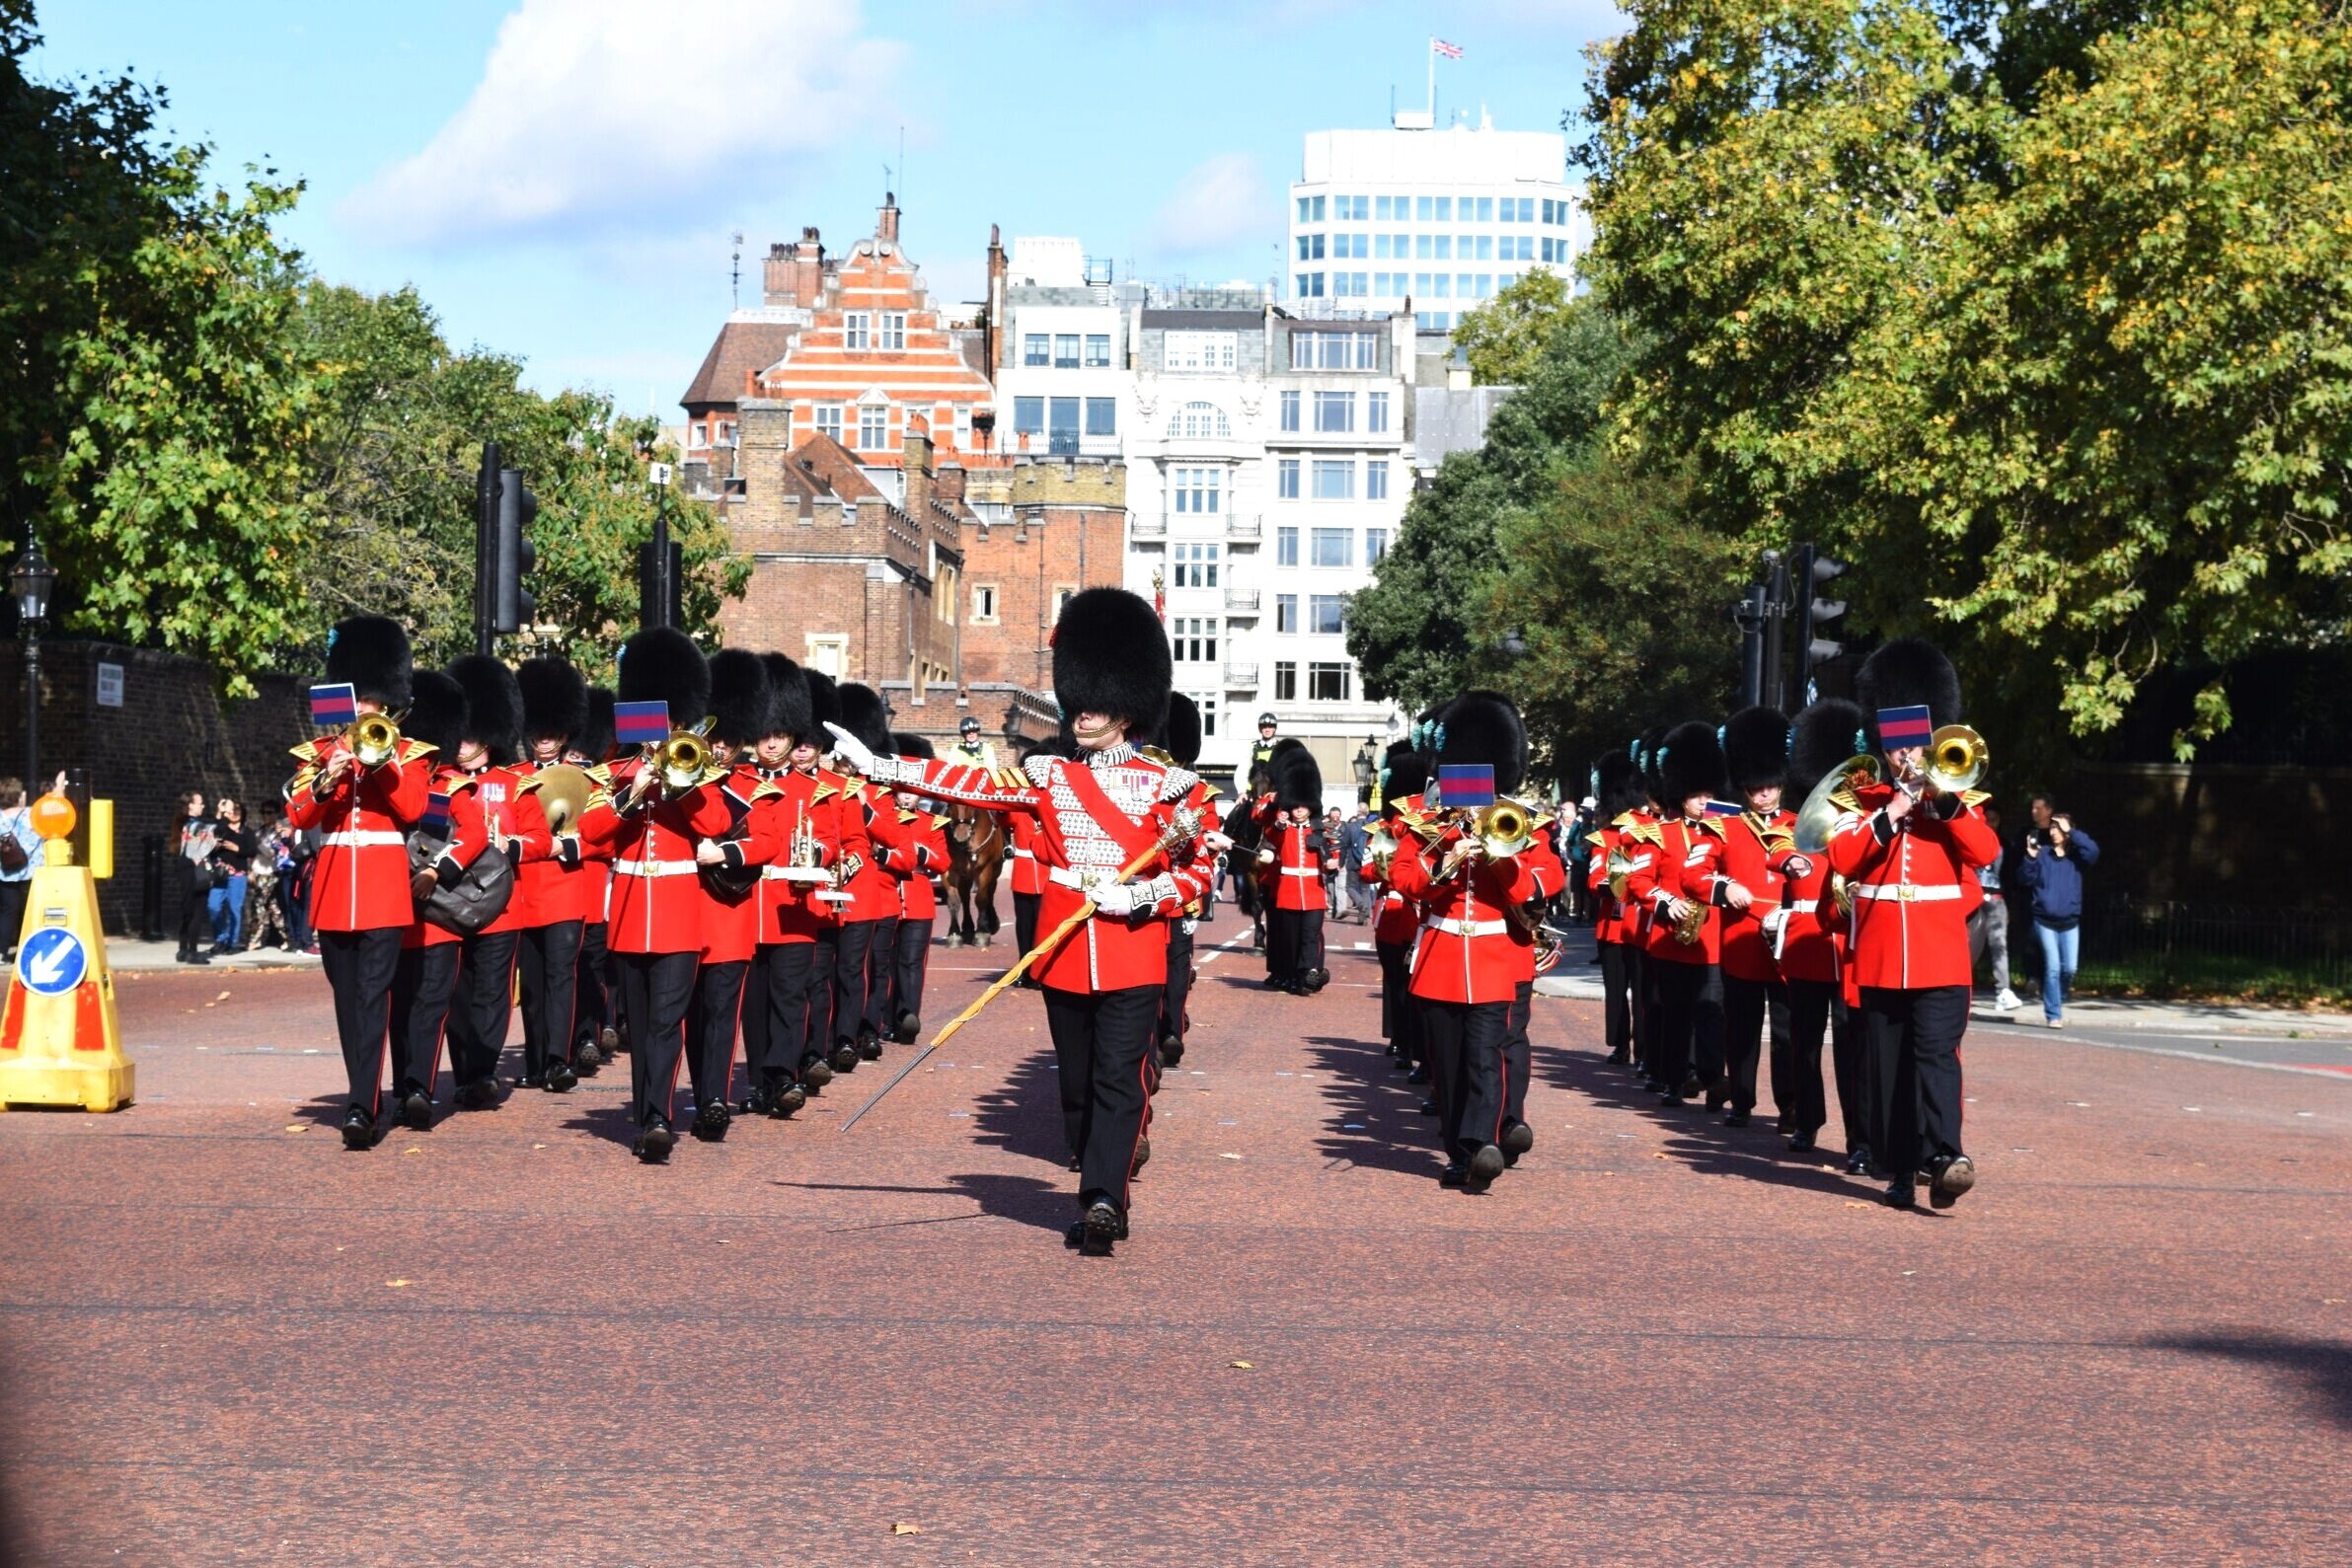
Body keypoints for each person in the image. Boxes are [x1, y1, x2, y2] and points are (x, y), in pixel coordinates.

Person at [828, 586, 1214, 1256]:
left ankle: (1102, 1198)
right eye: (1079, 698)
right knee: (1078, 1079)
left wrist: (1143, 897)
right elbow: (966, 784)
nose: (1083, 712)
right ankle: (1098, 1175)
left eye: (1096, 702)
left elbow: (1200, 874)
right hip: (1065, 950)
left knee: (1119, 1077)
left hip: (1132, 951)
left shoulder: (1171, 788)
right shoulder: (1049, 776)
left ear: (1127, 708)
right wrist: (881, 766)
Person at [1829, 638, 1999, 1210]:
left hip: (1941, 955)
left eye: (1915, 751)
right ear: (1886, 751)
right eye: (1899, 752)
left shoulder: (1955, 801)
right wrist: (1892, 811)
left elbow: (1984, 848)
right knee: (1891, 1070)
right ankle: (1903, 1169)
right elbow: (1844, 857)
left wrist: (1943, 805)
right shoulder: (1865, 803)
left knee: (1935, 1056)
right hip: (1881, 958)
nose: (1908, 761)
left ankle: (1947, 1155)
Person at [575, 628, 733, 1163]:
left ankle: (660, 1119)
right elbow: (592, 831)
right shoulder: (616, 773)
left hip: (679, 918)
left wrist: (678, 785)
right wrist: (633, 790)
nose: (657, 735)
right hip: (626, 918)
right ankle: (647, 1115)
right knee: (640, 1029)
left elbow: (716, 821)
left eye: (666, 725)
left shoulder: (695, 770)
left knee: (667, 1024)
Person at [1385, 690, 1546, 1193]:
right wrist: (1444, 864)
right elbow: (1402, 876)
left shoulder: (1518, 826)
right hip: (1441, 959)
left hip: (1497, 960)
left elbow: (1539, 885)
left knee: (1487, 1058)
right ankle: (1457, 1150)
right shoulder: (1427, 826)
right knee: (1449, 1068)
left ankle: (1482, 1146)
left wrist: (1500, 855)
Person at [287, 615, 434, 1150]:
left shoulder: (409, 753)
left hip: (382, 889)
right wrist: (329, 777)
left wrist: (378, 762)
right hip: (333, 892)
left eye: (371, 703)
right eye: (358, 702)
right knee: (348, 1001)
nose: (362, 712)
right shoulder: (320, 754)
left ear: (385, 704)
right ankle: (364, 1091)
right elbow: (299, 815)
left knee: (374, 998)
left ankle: (362, 1107)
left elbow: (414, 807)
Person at [446, 654, 552, 1108]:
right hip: (448, 901)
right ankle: (464, 1069)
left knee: (492, 992)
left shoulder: (514, 784)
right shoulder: (441, 781)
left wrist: (513, 847)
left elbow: (541, 839)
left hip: (500, 905)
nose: (463, 742)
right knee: (456, 993)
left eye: (471, 734)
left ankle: (484, 1071)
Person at [1699, 707, 1805, 1131]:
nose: (1764, 794)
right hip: (1741, 942)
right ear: (1745, 787)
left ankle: (1790, 1105)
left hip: (1786, 943)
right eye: (1757, 787)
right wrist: (1724, 889)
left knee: (1786, 1033)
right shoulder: (1724, 827)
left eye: (1771, 786)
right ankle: (1742, 1100)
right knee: (1741, 1031)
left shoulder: (1800, 825)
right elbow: (1696, 873)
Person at [1627, 720, 1729, 1108]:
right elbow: (1639, 880)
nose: (1704, 802)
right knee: (1675, 1014)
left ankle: (1711, 1076)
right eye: (1697, 795)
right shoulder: (1661, 834)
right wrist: (1666, 902)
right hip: (1672, 938)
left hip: (1712, 938)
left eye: (1708, 793)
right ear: (1681, 794)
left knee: (1712, 1012)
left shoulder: (1724, 832)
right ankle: (1673, 1077)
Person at [511, 656, 594, 1093]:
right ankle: (534, 1058)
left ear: (565, 734)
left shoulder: (584, 778)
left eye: (552, 733)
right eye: (538, 732)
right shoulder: (513, 778)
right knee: (533, 981)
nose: (544, 741)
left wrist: (570, 844)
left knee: (562, 976)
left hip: (564, 889)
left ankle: (558, 1060)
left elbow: (603, 835)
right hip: (525, 890)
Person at [2017, 793, 2098, 1028]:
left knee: (2069, 968)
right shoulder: (2043, 855)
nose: (2053, 831)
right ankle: (2054, 1013)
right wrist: (2030, 859)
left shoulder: (2076, 858)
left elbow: (2093, 851)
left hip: (2070, 921)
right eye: (2051, 827)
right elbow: (2025, 879)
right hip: (2045, 921)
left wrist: (2073, 831)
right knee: (2052, 967)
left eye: (2058, 827)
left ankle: (2057, 997)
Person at [1253, 748, 1329, 995]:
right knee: (1289, 938)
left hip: (1313, 890)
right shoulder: (1280, 824)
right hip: (1287, 888)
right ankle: (1289, 973)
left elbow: (1332, 850)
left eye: (1303, 806)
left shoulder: (1318, 830)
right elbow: (1265, 825)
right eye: (1295, 805)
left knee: (1310, 936)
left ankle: (1310, 972)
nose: (1299, 809)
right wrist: (1277, 814)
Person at [1969, 804, 2022, 1012]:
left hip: (1997, 898)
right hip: (1974, 897)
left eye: (1994, 820)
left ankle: (2003, 991)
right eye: (1987, 819)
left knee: (1999, 947)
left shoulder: (2004, 845)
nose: (1990, 823)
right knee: (1969, 946)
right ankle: (1960, 987)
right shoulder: (1971, 839)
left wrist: (2008, 903)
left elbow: (2010, 875)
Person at [169, 791, 216, 965]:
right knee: (197, 910)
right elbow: (211, 843)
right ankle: (192, 951)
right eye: (200, 803)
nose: (202, 806)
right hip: (195, 869)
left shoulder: (182, 824)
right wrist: (220, 817)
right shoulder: (196, 825)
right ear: (190, 806)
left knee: (187, 909)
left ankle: (182, 949)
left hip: (184, 867)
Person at [0, 777, 41, 965]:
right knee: (29, 912)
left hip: (5, 872)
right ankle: (28, 952)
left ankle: (1, 952)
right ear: (19, 796)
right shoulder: (32, 815)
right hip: (32, 871)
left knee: (7, 912)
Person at [205, 796, 251, 956]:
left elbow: (252, 850)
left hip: (238, 875)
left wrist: (236, 848)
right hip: (221, 874)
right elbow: (213, 832)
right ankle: (220, 939)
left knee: (233, 909)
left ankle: (232, 942)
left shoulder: (246, 831)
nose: (233, 812)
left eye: (237, 810)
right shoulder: (223, 828)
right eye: (231, 810)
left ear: (242, 813)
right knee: (213, 905)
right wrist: (220, 812)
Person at [1338, 807, 1372, 923]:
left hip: (1353, 861)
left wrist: (1341, 862)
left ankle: (1361, 904)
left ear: (1357, 813)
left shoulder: (1351, 827)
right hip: (1367, 861)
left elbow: (1344, 845)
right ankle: (1365, 914)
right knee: (1365, 889)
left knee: (1350, 887)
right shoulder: (1372, 826)